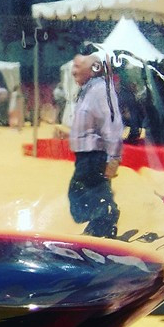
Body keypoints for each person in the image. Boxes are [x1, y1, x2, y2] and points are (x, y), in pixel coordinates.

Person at [66, 53, 123, 238]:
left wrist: (113, 158)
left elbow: (112, 124)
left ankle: (105, 221)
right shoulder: (88, 90)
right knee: (92, 191)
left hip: (94, 154)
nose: (73, 71)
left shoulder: (100, 90)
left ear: (94, 69)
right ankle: (103, 223)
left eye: (77, 66)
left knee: (83, 191)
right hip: (86, 154)